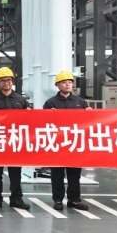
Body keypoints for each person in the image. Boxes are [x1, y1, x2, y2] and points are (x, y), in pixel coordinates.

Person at [0, 67, 31, 210]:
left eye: (9, 80)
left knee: (15, 172)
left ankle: (16, 198)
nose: (6, 82)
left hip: (14, 141)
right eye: (3, 80)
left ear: (12, 81)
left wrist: (29, 112)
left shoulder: (20, 100)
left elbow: (29, 119)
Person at [44, 70, 90, 211]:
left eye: (70, 82)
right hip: (57, 143)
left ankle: (74, 199)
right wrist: (48, 114)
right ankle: (58, 200)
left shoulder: (80, 102)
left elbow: (89, 122)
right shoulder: (50, 103)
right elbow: (43, 123)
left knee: (74, 174)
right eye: (64, 82)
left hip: (74, 143)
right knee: (57, 174)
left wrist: (90, 113)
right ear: (58, 85)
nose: (67, 84)